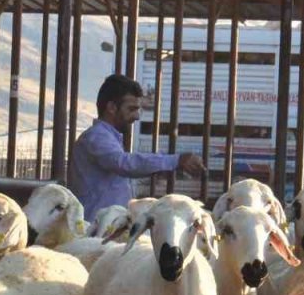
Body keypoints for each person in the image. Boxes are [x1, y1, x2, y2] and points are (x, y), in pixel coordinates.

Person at [69, 75, 204, 220]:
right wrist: (176, 161)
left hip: (106, 228)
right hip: (96, 230)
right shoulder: (96, 137)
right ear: (112, 108)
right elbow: (125, 163)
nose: (137, 116)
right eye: (132, 109)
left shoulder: (107, 137)